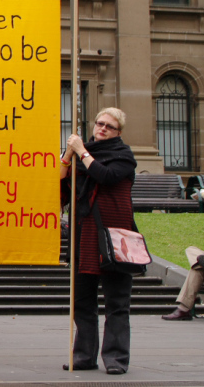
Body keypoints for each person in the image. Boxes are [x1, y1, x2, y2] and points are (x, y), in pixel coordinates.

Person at [60, 107, 137, 375]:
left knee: (117, 304)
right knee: (82, 302)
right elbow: (60, 192)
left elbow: (106, 176)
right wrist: (67, 158)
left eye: (109, 126)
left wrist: (81, 151)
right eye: (99, 123)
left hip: (115, 239)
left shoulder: (123, 156)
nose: (102, 128)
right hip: (84, 236)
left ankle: (116, 359)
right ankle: (83, 356)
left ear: (119, 132)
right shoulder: (83, 157)